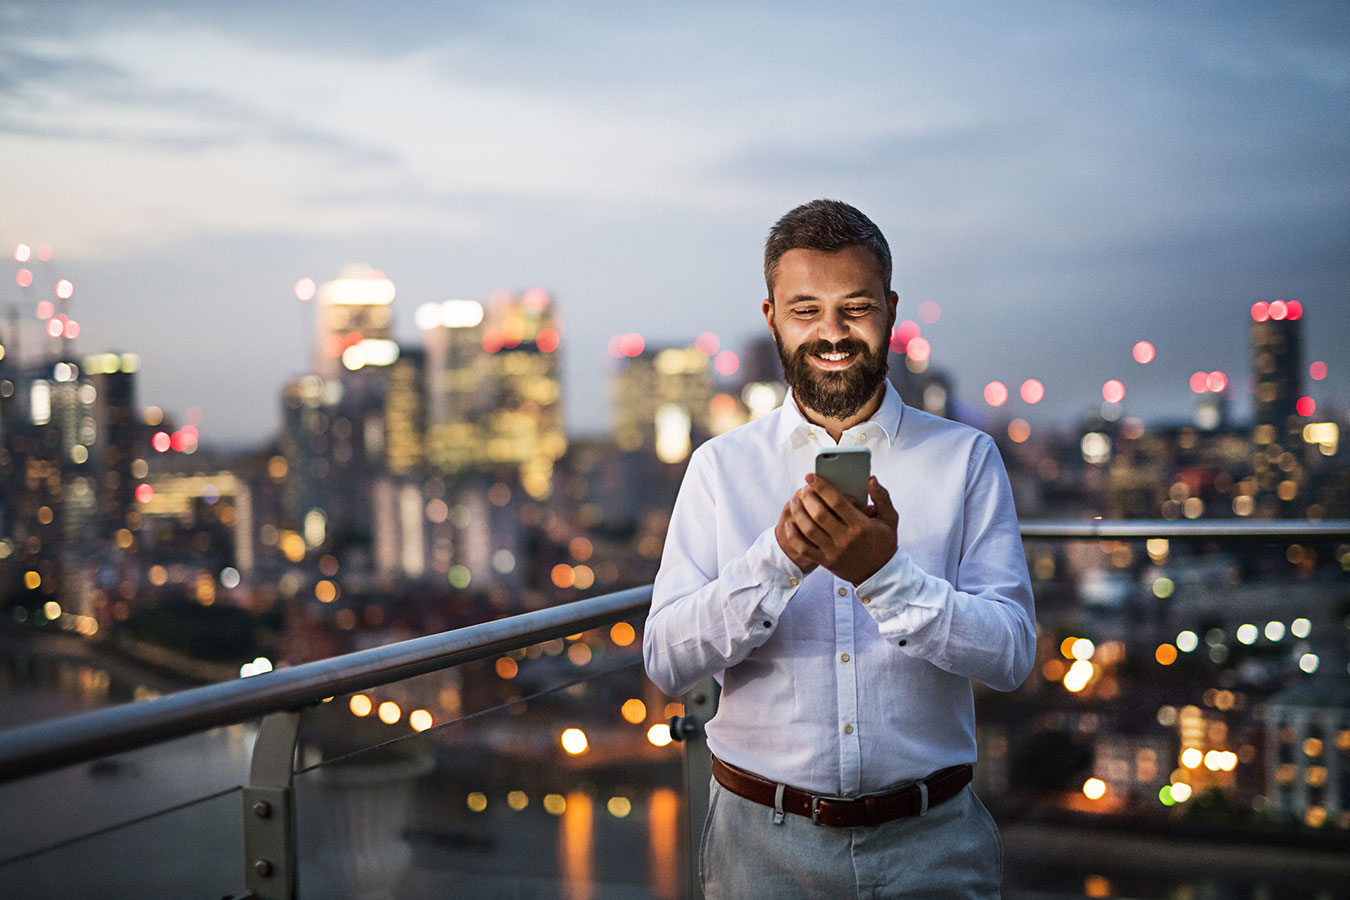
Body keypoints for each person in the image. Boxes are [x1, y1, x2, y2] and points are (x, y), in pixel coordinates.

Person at [642, 199, 1036, 899]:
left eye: (855, 308)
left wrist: (886, 578)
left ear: (890, 311)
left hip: (932, 845)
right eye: (806, 310)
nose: (832, 333)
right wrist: (777, 562)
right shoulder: (719, 468)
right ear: (772, 318)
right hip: (760, 849)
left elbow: (1010, 655)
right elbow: (666, 661)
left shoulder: (966, 458)